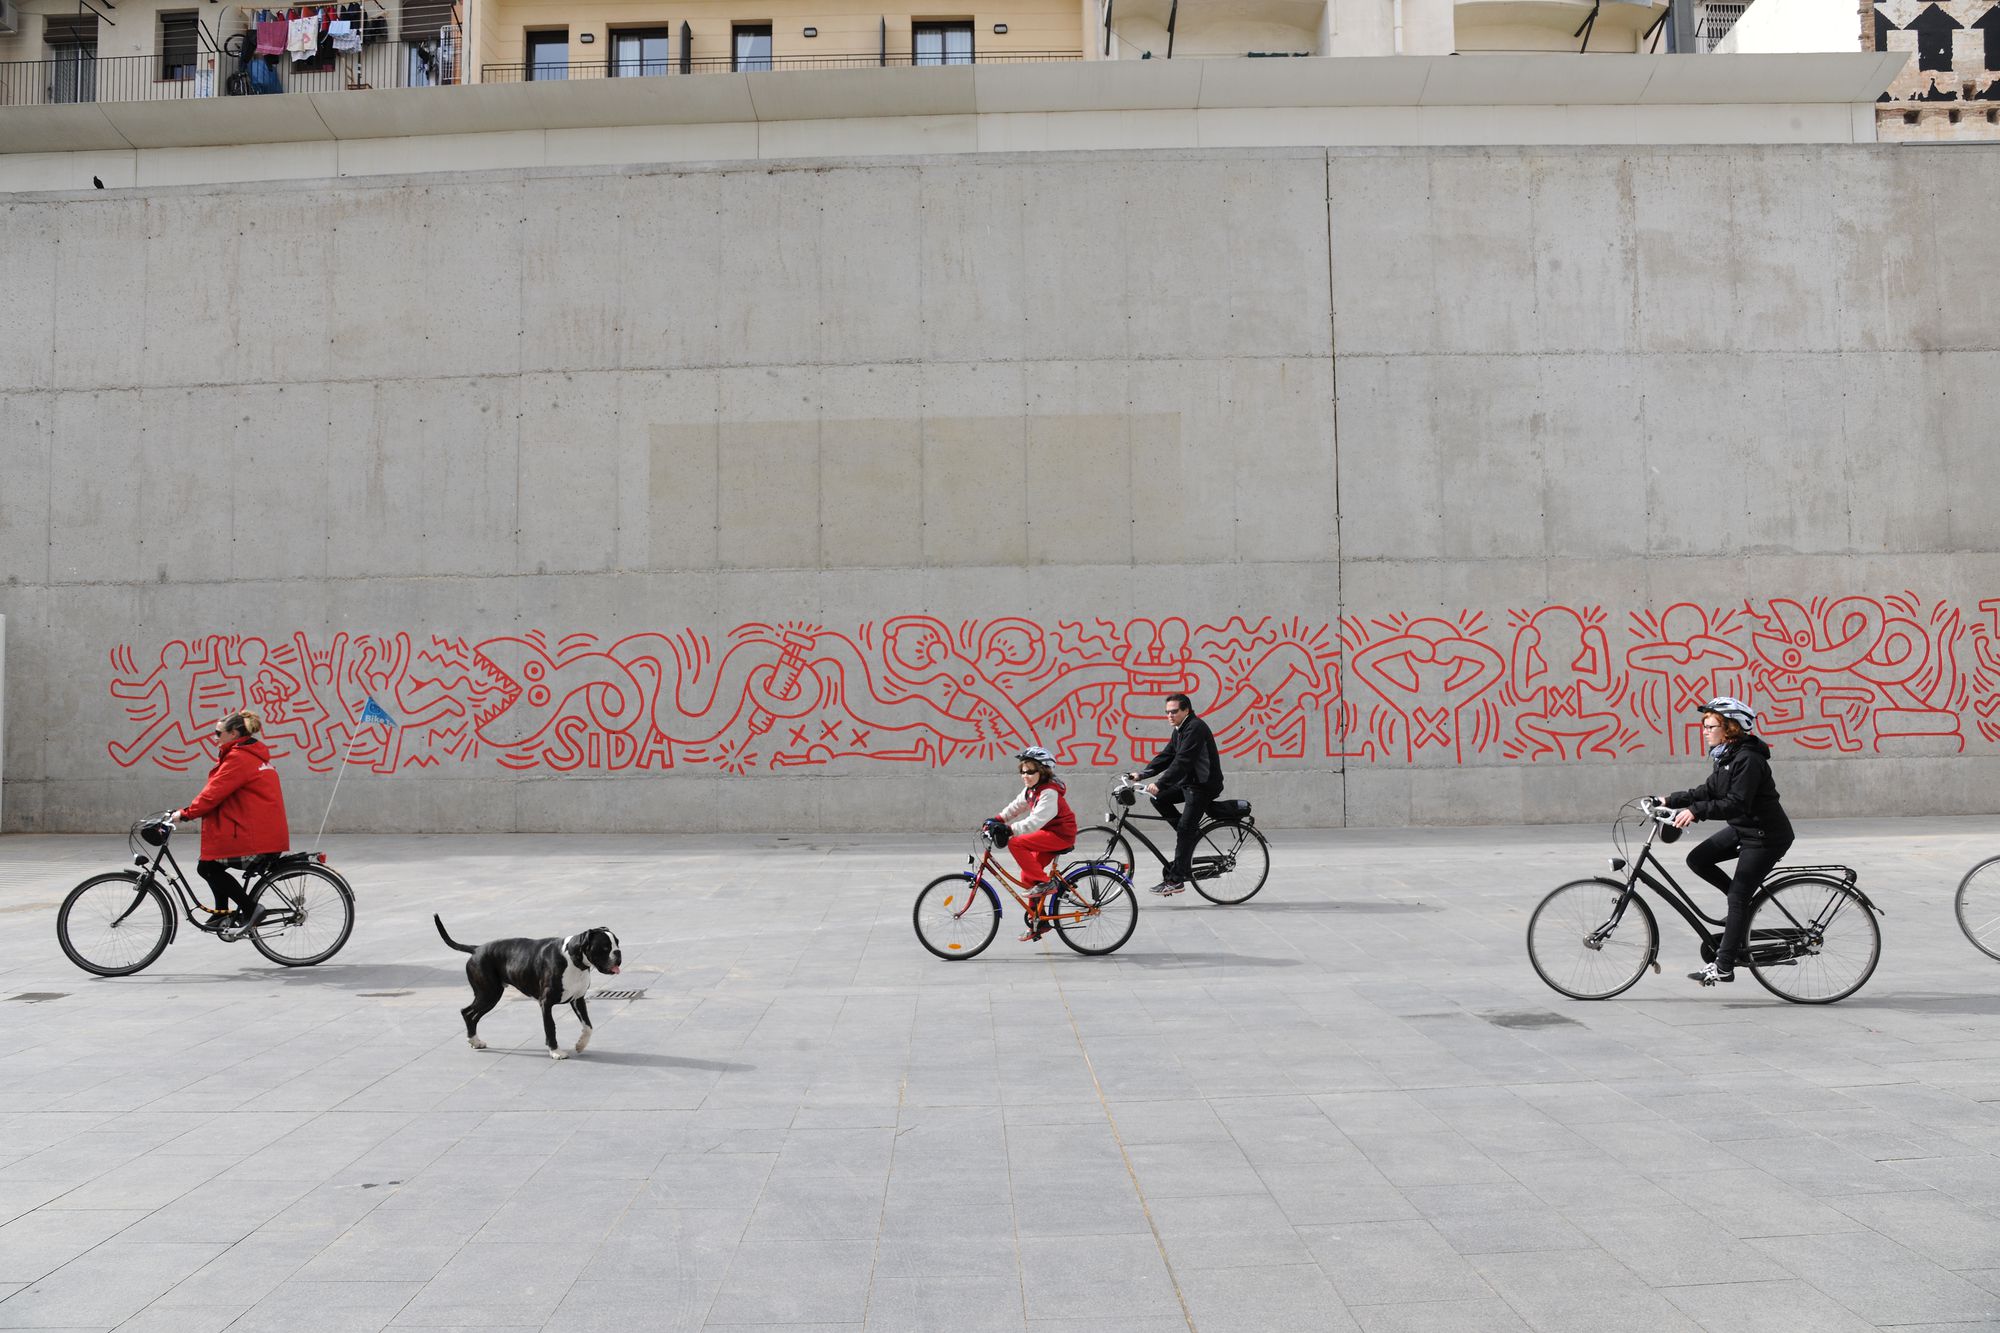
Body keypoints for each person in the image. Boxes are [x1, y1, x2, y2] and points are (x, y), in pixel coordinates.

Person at [1659, 697, 1793, 986]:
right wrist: (1668, 800)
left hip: (1765, 836)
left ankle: (1723, 966)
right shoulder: (1727, 756)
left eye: (1711, 726)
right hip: (1744, 829)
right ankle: (1741, 904)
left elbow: (1735, 803)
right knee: (1698, 859)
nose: (1705, 731)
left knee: (1737, 899)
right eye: (1704, 725)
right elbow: (1708, 790)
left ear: (1730, 728)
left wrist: (1695, 813)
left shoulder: (1748, 760)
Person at [170, 707, 291, 930]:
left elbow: (212, 794)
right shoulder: (251, 756)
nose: (215, 738)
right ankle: (221, 914)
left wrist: (184, 814)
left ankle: (251, 909)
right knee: (208, 864)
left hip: (258, 840)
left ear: (233, 734)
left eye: (218, 733)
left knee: (208, 868)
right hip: (265, 835)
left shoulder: (239, 758)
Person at [1128, 692, 1223, 896]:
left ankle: (1176, 880)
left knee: (1184, 830)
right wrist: (1143, 774)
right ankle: (1189, 832)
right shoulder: (1180, 729)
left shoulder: (1195, 727)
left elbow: (1183, 761)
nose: (1169, 716)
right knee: (1159, 799)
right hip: (1189, 784)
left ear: (1186, 710)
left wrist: (1161, 783)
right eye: (1167, 712)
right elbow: (1168, 755)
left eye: (1174, 712)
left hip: (1203, 786)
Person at [989, 746, 1077, 942]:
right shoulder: (1031, 789)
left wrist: (1010, 830)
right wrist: (996, 819)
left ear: (1043, 771)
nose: (1025, 775)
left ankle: (1047, 883)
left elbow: (1036, 821)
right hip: (1048, 833)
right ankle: (1039, 923)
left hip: (1060, 835)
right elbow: (1017, 806)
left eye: (1030, 771)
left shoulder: (1049, 792)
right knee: (1027, 874)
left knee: (1016, 844)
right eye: (1022, 771)